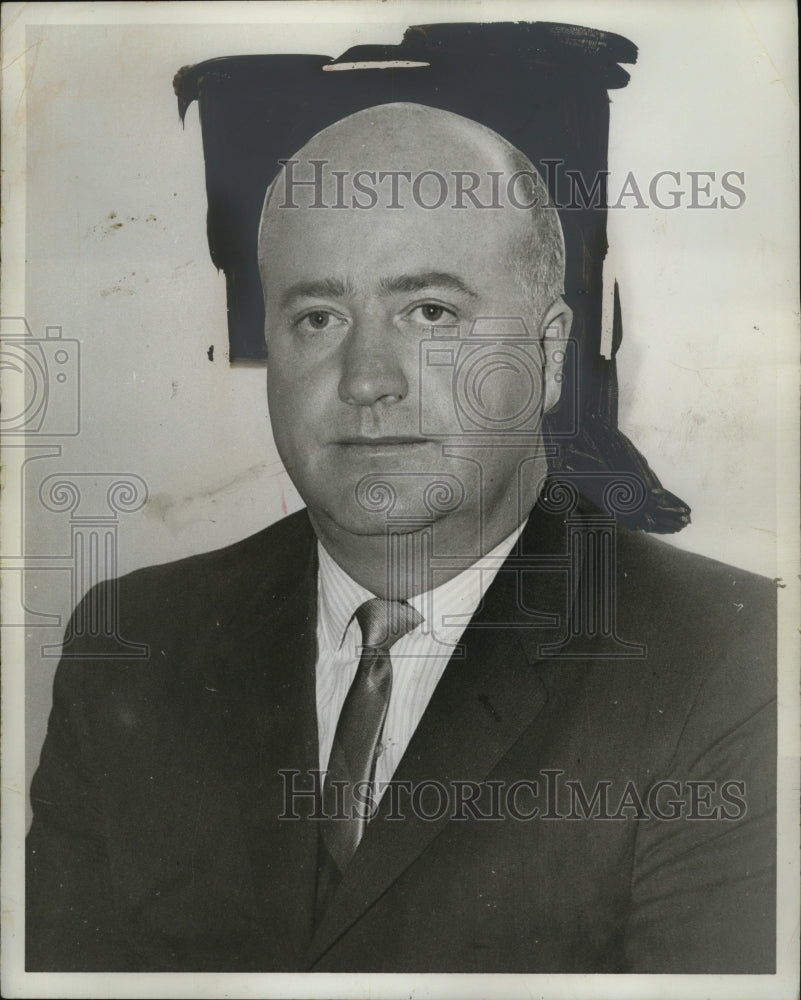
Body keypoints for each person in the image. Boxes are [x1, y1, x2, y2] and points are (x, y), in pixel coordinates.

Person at [26, 103, 776, 974]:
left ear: (547, 353)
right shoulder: (134, 642)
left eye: (428, 312)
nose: (367, 380)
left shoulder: (731, 659)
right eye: (318, 318)